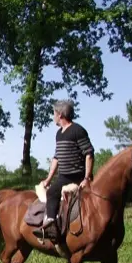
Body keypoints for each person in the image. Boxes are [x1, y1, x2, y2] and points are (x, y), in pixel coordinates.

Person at [36, 99, 95, 239]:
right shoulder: (59, 133)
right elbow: (56, 157)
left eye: (54, 113)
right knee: (51, 189)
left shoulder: (78, 130)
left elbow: (89, 154)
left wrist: (87, 178)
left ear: (60, 114)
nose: (53, 117)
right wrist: (48, 179)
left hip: (77, 176)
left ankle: (51, 228)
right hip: (63, 176)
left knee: (51, 194)